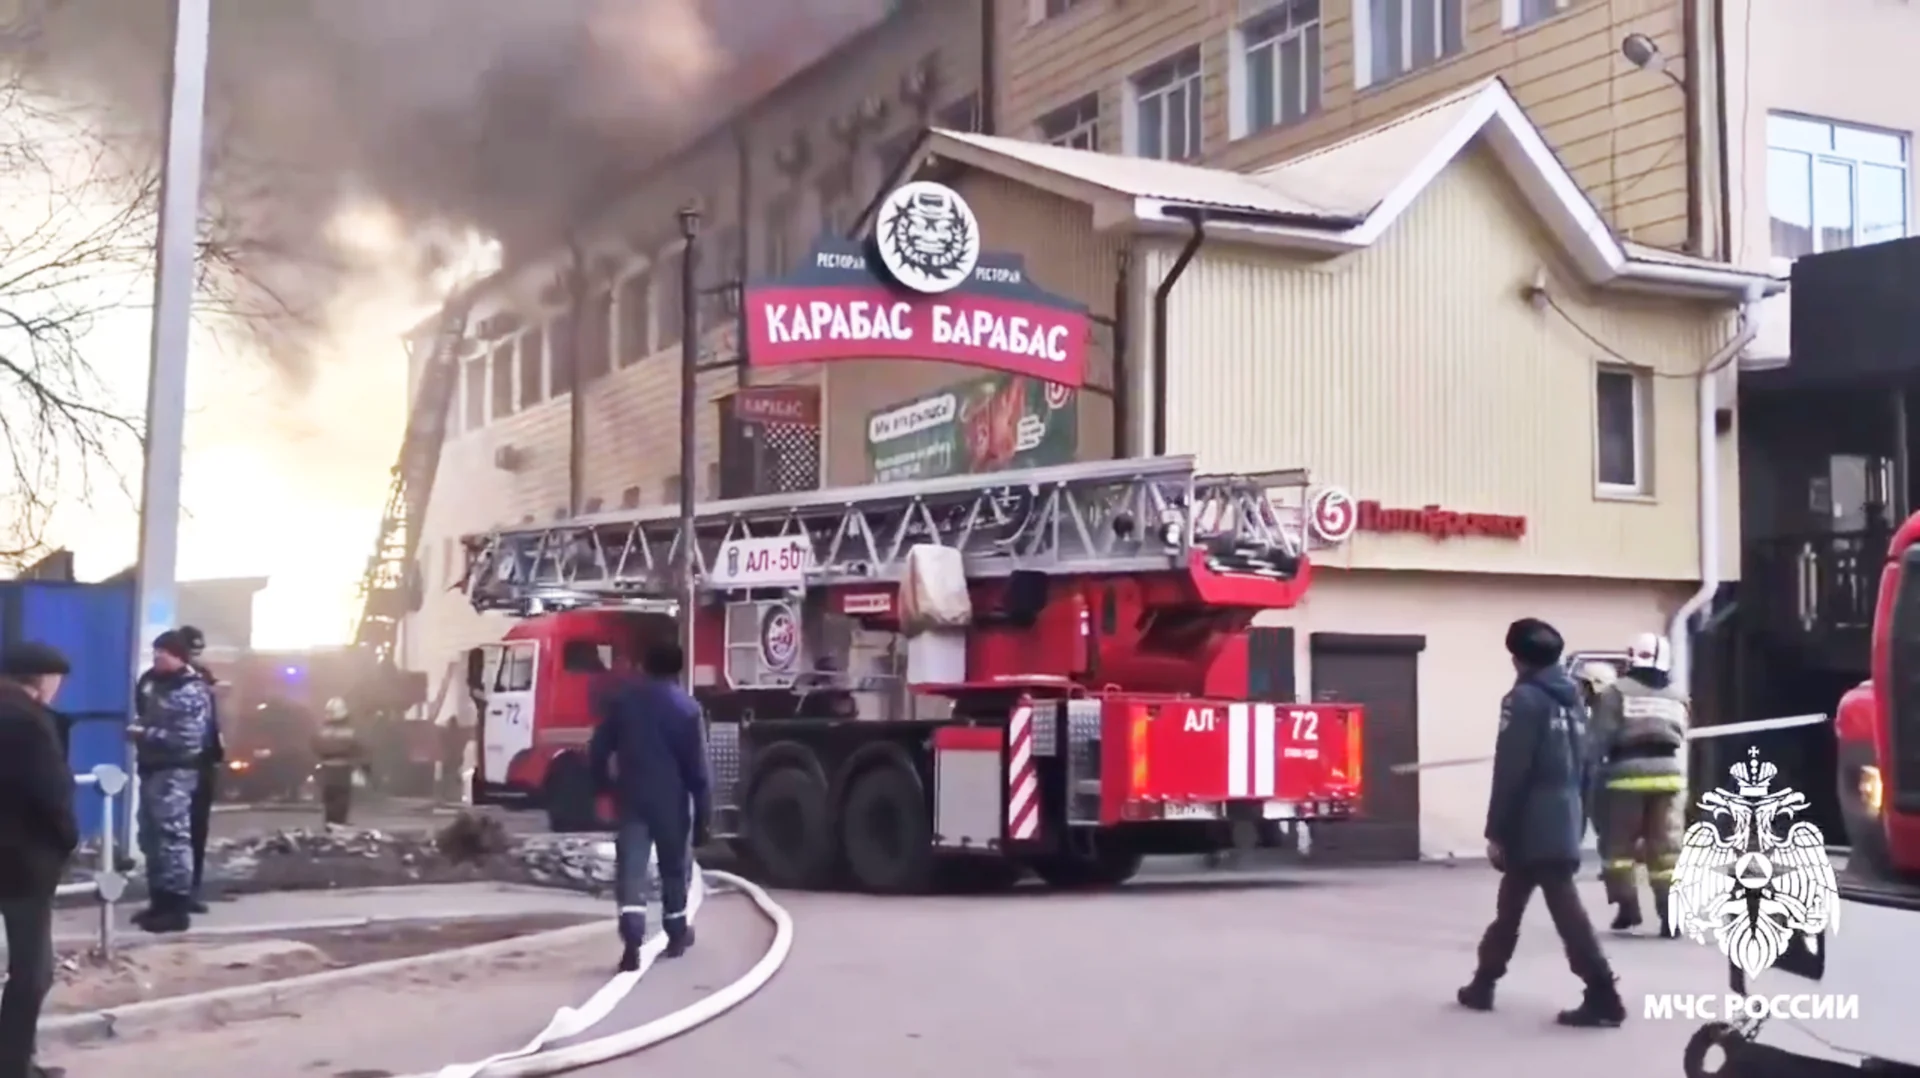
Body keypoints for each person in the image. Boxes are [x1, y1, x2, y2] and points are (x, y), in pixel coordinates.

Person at [1458, 618, 1623, 1028]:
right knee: (1509, 907)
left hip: (1530, 823)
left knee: (1565, 912)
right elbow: (1588, 766)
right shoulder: (1575, 702)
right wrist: (1579, 818)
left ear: (1518, 659)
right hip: (1564, 817)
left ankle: (1602, 991)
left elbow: (1511, 770)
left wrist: (1496, 831)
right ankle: (1483, 982)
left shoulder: (1523, 700)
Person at [588, 641, 711, 971]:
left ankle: (632, 940)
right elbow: (698, 771)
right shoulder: (687, 709)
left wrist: (603, 786)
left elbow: (598, 749)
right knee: (674, 869)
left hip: (632, 798)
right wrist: (704, 817)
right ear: (677, 668)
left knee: (632, 870)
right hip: (672, 802)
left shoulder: (624, 702)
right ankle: (676, 934)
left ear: (645, 665)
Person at [0, 642, 77, 1078]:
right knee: (33, 971)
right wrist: (68, 838)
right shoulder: (30, 723)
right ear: (44, 680)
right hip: (23, 862)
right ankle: (13, 1065)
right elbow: (51, 793)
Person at [1589, 632, 1689, 937]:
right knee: (1666, 852)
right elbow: (1681, 732)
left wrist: (1590, 765)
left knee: (1618, 849)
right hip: (1669, 776)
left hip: (1625, 777)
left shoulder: (1616, 692)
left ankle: (1627, 909)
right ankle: (1671, 915)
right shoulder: (1677, 695)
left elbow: (1599, 737)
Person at [128, 631, 213, 934]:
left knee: (173, 838)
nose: (157, 657)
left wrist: (144, 735)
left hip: (175, 773)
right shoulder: (155, 683)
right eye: (156, 652)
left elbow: (187, 739)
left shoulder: (190, 690)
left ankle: (177, 908)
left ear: (178, 656)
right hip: (153, 769)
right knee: (151, 838)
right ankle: (159, 902)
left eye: (163, 652)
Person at [178, 626, 222, 913]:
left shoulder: (204, 676)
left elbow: (211, 718)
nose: (195, 657)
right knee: (175, 831)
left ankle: (192, 889)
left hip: (204, 760)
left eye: (198, 651)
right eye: (190, 652)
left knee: (198, 828)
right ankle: (172, 893)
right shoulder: (163, 680)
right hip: (179, 763)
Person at [1571, 660, 1619, 881]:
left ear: (1595, 685)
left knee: (1606, 821)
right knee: (1578, 815)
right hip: (1588, 768)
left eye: (1583, 685)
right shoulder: (1587, 711)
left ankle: (1614, 866)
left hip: (1606, 770)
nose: (1579, 690)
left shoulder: (1611, 711)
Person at [313, 698, 362, 825]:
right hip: (343, 769)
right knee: (341, 800)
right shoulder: (351, 730)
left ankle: (330, 824)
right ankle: (338, 824)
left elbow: (315, 746)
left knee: (330, 800)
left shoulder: (321, 730)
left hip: (327, 769)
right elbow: (358, 748)